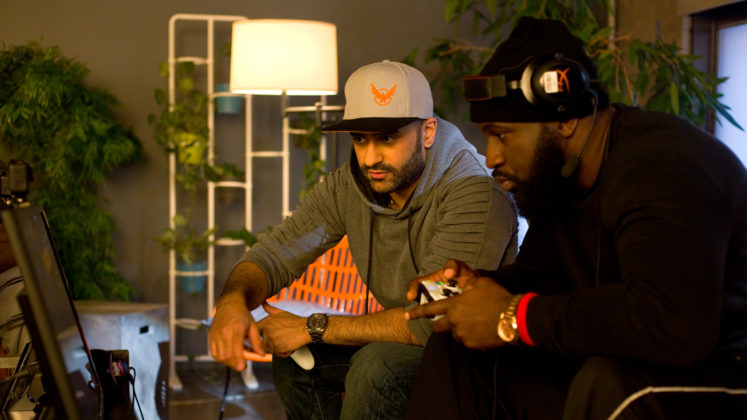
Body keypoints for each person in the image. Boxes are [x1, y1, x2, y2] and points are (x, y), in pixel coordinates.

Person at [404, 17, 747, 419]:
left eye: (502, 134)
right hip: (633, 358)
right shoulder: (562, 179)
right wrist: (478, 291)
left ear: (564, 120)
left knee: (609, 384)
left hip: (723, 366)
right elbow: (543, 279)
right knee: (462, 346)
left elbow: (670, 322)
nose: (491, 156)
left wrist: (512, 315)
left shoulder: (662, 168)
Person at [208, 60, 518, 419]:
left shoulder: (475, 193)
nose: (370, 158)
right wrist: (232, 301)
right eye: (359, 139)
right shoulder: (353, 183)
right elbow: (277, 252)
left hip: (476, 357)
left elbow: (431, 317)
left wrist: (312, 327)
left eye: (387, 138)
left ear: (428, 132)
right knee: (298, 360)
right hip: (407, 339)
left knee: (378, 367)